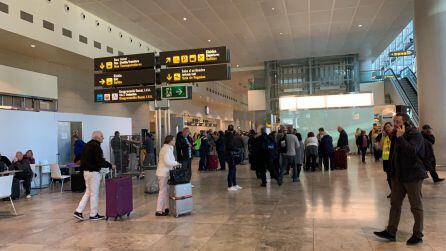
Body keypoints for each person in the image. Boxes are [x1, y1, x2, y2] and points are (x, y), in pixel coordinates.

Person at [374, 113, 428, 245]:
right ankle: (391, 231)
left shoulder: (415, 134)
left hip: (413, 176)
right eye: (394, 121)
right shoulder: (395, 135)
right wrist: (392, 173)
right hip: (398, 176)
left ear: (405, 122)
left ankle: (418, 234)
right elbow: (393, 155)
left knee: (416, 205)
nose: (395, 124)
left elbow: (412, 152)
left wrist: (401, 138)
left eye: (397, 121)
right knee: (395, 204)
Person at [73, 131, 112, 221]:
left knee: (88, 192)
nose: (103, 137)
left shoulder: (87, 145)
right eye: (102, 136)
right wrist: (110, 165)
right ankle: (93, 214)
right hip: (93, 173)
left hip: (86, 172)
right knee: (94, 194)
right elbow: (99, 161)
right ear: (97, 137)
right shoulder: (96, 146)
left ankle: (78, 211)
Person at [155, 135, 180, 216]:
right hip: (163, 173)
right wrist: (176, 163)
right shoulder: (167, 149)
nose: (175, 141)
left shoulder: (167, 148)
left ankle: (166, 208)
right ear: (169, 141)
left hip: (164, 173)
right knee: (162, 191)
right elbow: (167, 162)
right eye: (174, 140)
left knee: (166, 191)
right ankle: (158, 210)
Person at [225, 125, 242, 191]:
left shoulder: (226, 135)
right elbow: (230, 146)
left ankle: (234, 184)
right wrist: (237, 149)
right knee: (232, 170)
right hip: (230, 155)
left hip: (228, 155)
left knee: (233, 169)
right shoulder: (230, 136)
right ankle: (230, 186)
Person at [378, 122, 394, 198]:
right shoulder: (385, 136)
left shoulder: (395, 135)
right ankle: (393, 192)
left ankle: (396, 192)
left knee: (393, 177)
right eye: (386, 127)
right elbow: (380, 147)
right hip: (386, 159)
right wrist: (383, 136)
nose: (387, 128)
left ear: (392, 127)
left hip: (393, 159)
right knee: (389, 177)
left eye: (388, 127)